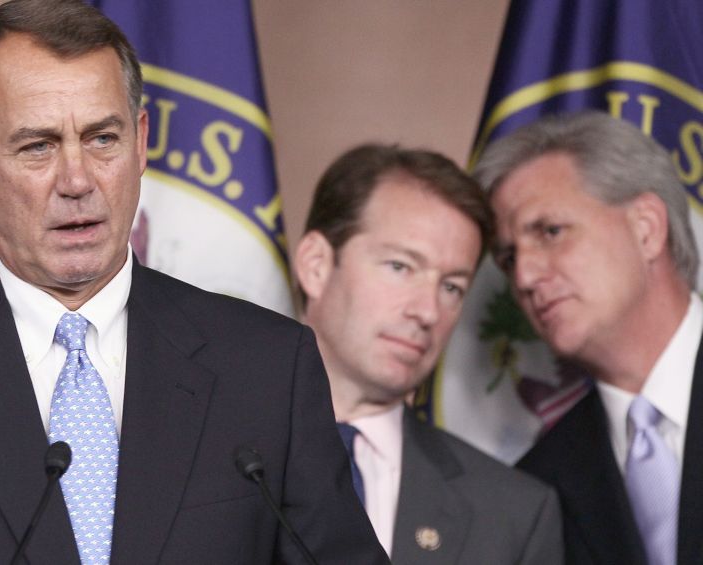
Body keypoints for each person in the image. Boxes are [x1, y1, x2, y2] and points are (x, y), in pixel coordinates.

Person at [0, 1, 390, 563]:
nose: (78, 180)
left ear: (141, 141)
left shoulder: (267, 369)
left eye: (102, 138)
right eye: (38, 146)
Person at [293, 143, 563, 564]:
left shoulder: (513, 515)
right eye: (400, 267)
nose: (427, 311)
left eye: (452, 287)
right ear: (316, 264)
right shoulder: (188, 445)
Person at [475, 111, 702, 565]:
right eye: (507, 256)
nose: (524, 276)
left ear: (646, 228)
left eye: (550, 231)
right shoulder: (538, 488)